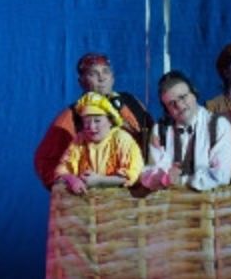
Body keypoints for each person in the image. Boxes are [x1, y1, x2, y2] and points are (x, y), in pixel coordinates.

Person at [34, 52, 153, 189]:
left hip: (137, 188)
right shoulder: (70, 117)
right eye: (93, 74)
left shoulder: (132, 103)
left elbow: (153, 139)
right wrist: (69, 183)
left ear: (113, 77)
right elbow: (45, 162)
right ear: (81, 81)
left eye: (105, 71)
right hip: (92, 194)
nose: (102, 78)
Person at [141, 70, 231, 191]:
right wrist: (164, 178)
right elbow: (150, 175)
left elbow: (221, 176)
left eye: (182, 97)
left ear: (194, 94)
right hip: (170, 201)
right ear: (166, 109)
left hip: (209, 201)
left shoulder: (219, 125)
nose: (179, 105)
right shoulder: (160, 130)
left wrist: (182, 180)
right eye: (171, 103)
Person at [54, 92, 144, 195]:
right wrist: (72, 180)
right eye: (87, 122)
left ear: (110, 121)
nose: (91, 127)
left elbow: (133, 173)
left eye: (97, 121)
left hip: (118, 200)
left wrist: (100, 180)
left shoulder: (122, 139)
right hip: (87, 200)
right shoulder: (80, 140)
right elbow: (61, 170)